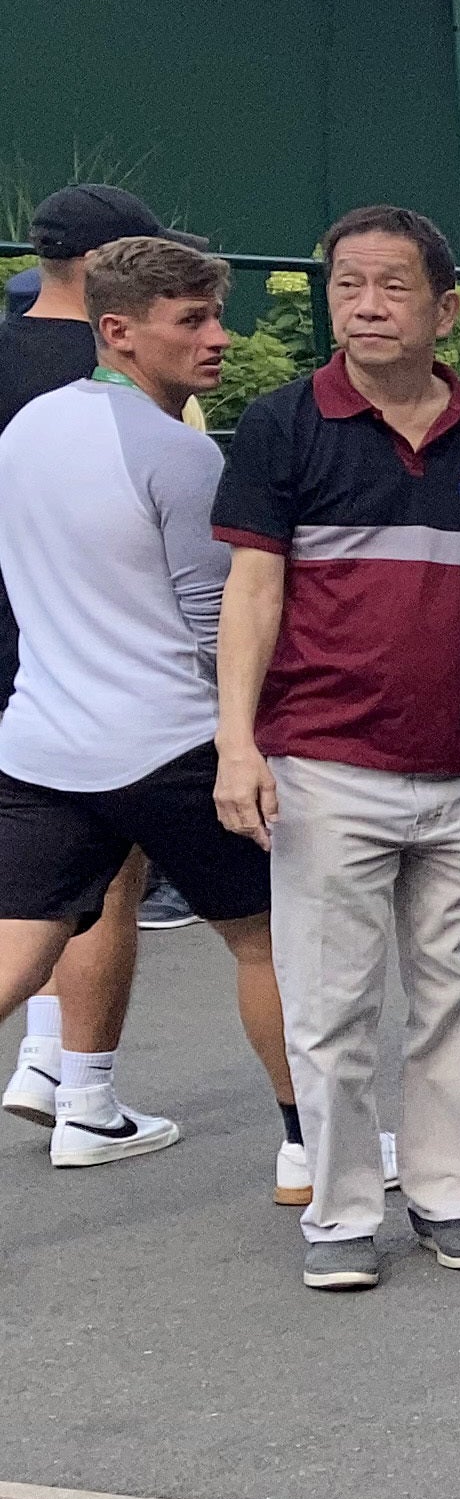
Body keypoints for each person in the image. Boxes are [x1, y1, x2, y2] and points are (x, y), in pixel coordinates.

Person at [213, 205, 460, 1292]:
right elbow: (252, 594)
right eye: (348, 284)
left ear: (444, 307)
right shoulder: (280, 423)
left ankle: (448, 1191)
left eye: (392, 286)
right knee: (332, 1004)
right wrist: (236, 746)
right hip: (324, 764)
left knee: (456, 1000)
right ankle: (344, 1210)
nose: (367, 304)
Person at [0, 235, 296, 1168]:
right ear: (118, 331)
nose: (218, 336)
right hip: (173, 748)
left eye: (215, 314)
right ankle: (315, 1152)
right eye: (193, 320)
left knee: (15, 954)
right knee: (271, 944)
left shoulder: (26, 429)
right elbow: (222, 635)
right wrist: (253, 743)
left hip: (43, 743)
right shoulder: (180, 456)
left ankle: (89, 1101)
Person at [1, 183, 202, 1145]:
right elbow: (195, 582)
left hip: (32, 670)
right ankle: (81, 1088)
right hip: (109, 675)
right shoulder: (143, 407)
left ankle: (49, 1064)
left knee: (34, 893)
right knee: (114, 875)